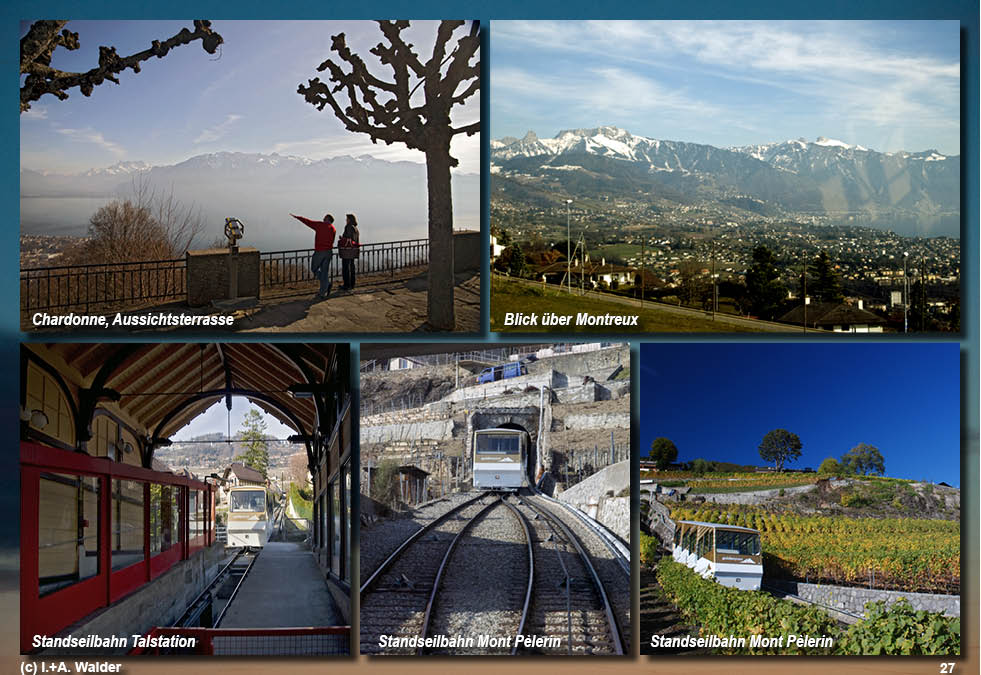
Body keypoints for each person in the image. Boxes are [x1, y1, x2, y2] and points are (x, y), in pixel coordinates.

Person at [290, 212, 336, 298]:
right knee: (324, 272)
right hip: (329, 252)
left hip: (320, 252)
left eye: (324, 218)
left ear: (327, 219)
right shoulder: (333, 229)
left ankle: (326, 283)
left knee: (314, 269)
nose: (323, 219)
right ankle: (323, 291)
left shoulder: (320, 225)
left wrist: (299, 217)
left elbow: (308, 222)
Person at [339, 213, 360, 290]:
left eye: (347, 219)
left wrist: (342, 238)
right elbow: (354, 240)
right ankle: (352, 284)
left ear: (350, 220)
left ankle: (346, 284)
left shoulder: (348, 227)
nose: (346, 220)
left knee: (346, 267)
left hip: (347, 251)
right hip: (353, 250)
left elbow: (349, 239)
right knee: (352, 267)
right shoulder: (355, 228)